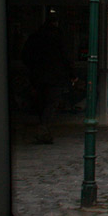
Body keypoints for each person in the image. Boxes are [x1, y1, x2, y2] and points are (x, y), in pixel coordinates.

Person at [22, 15, 71, 144]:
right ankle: (44, 129)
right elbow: (65, 57)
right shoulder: (58, 38)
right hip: (55, 77)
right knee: (51, 104)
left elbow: (25, 56)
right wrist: (72, 74)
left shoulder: (35, 37)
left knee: (42, 103)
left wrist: (33, 69)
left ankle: (44, 130)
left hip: (38, 76)